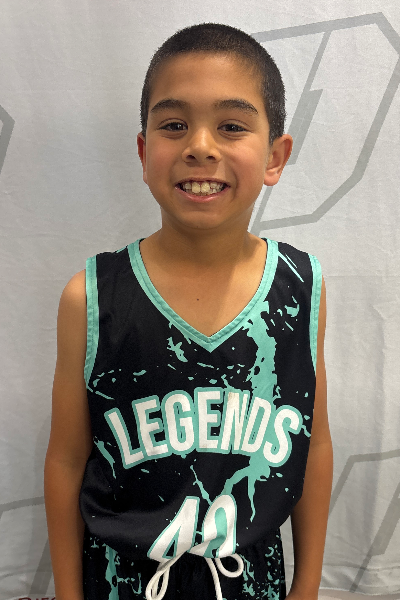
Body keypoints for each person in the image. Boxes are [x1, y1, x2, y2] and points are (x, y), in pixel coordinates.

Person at [44, 22, 333, 600]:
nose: (200, 145)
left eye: (231, 125)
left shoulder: (302, 287)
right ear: (144, 151)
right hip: (121, 584)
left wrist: (307, 587)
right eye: (174, 125)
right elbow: (67, 462)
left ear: (275, 156)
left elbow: (314, 443)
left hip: (254, 584)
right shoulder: (92, 296)